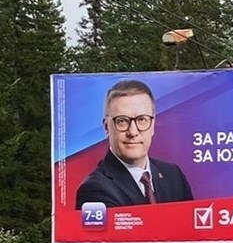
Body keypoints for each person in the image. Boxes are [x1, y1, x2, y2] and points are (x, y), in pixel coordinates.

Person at [75, 79, 193, 208]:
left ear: (152, 124)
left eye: (142, 119)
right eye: (122, 121)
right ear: (106, 127)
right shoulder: (94, 189)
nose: (133, 132)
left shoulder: (173, 174)